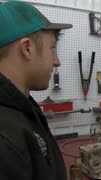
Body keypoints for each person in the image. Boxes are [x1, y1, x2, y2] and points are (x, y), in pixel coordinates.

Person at [0, 1, 72, 180]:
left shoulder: (21, 108)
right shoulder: (4, 140)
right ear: (27, 49)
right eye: (52, 49)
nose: (57, 62)